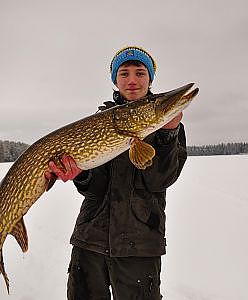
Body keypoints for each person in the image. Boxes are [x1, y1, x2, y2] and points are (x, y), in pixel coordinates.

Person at [45, 46, 187, 300]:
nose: (132, 80)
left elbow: (160, 180)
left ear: (150, 79)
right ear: (115, 80)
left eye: (140, 73)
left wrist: (167, 134)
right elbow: (95, 189)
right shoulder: (99, 122)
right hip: (90, 239)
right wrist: (80, 174)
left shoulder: (168, 127)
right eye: (124, 73)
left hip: (139, 245)